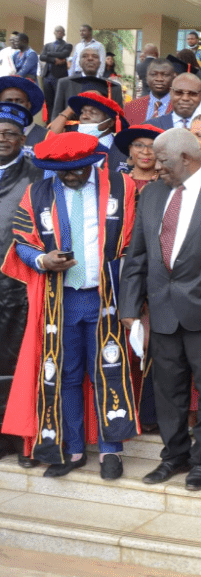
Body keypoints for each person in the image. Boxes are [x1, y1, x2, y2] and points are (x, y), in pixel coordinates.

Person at [3, 132, 138, 480]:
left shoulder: (121, 187)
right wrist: (42, 260)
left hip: (106, 296)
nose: (70, 176)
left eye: (77, 170)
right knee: (66, 374)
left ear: (91, 162)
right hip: (61, 300)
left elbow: (135, 244)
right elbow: (21, 242)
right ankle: (74, 448)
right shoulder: (38, 193)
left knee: (108, 372)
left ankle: (112, 452)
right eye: (63, 172)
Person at [118, 128, 201, 491]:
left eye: (162, 160)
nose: (155, 168)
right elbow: (137, 253)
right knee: (168, 391)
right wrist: (130, 306)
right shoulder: (153, 194)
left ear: (186, 159)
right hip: (162, 313)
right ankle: (173, 456)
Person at [0, 103, 44, 465]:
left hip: (16, 289)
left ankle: (20, 440)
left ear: (22, 138)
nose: (2, 139)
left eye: (10, 133)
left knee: (18, 365)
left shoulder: (35, 177)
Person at [52, 47, 124, 115]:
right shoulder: (64, 83)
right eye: (85, 56)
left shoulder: (113, 87)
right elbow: (56, 114)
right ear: (79, 62)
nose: (90, 59)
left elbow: (119, 118)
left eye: (95, 56)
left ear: (100, 63)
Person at [0, 76, 47, 152]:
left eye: (19, 101)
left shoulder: (46, 136)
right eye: (8, 101)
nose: (14, 106)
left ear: (28, 105)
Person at [123, 58, 175, 126]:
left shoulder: (181, 108)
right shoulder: (130, 108)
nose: (159, 79)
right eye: (153, 74)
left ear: (173, 78)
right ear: (146, 78)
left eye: (165, 75)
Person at [39, 26, 73, 118]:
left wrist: (48, 54)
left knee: (58, 101)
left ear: (64, 34)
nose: (59, 33)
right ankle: (50, 122)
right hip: (47, 76)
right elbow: (42, 57)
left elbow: (64, 54)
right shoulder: (48, 45)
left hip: (59, 76)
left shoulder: (67, 45)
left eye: (62, 32)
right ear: (54, 32)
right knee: (49, 101)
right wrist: (54, 60)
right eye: (58, 31)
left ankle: (58, 121)